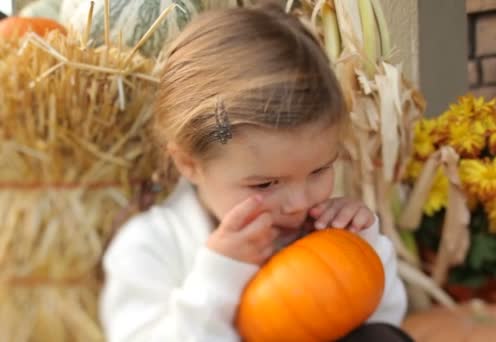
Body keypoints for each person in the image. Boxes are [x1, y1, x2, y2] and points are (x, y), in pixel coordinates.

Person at [100, 4, 411, 341]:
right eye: (265, 183)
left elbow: (383, 322)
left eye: (320, 170)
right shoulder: (150, 248)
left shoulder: (315, 228)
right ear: (189, 163)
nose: (299, 202)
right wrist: (219, 276)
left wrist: (360, 249)